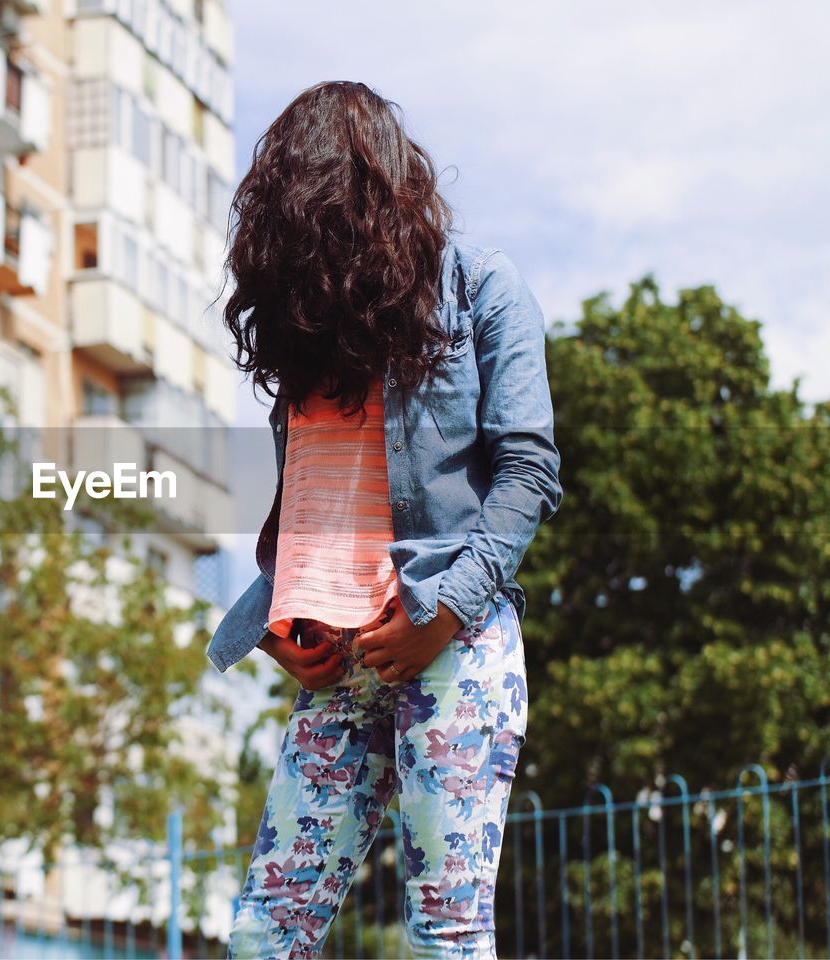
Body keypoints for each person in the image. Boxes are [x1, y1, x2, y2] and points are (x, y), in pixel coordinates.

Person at [207, 80, 564, 958]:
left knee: (443, 936)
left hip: (452, 646)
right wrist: (280, 621)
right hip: (339, 671)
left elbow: (529, 472)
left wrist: (441, 616)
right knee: (264, 934)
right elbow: (317, 513)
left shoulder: (481, 289)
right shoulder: (312, 337)